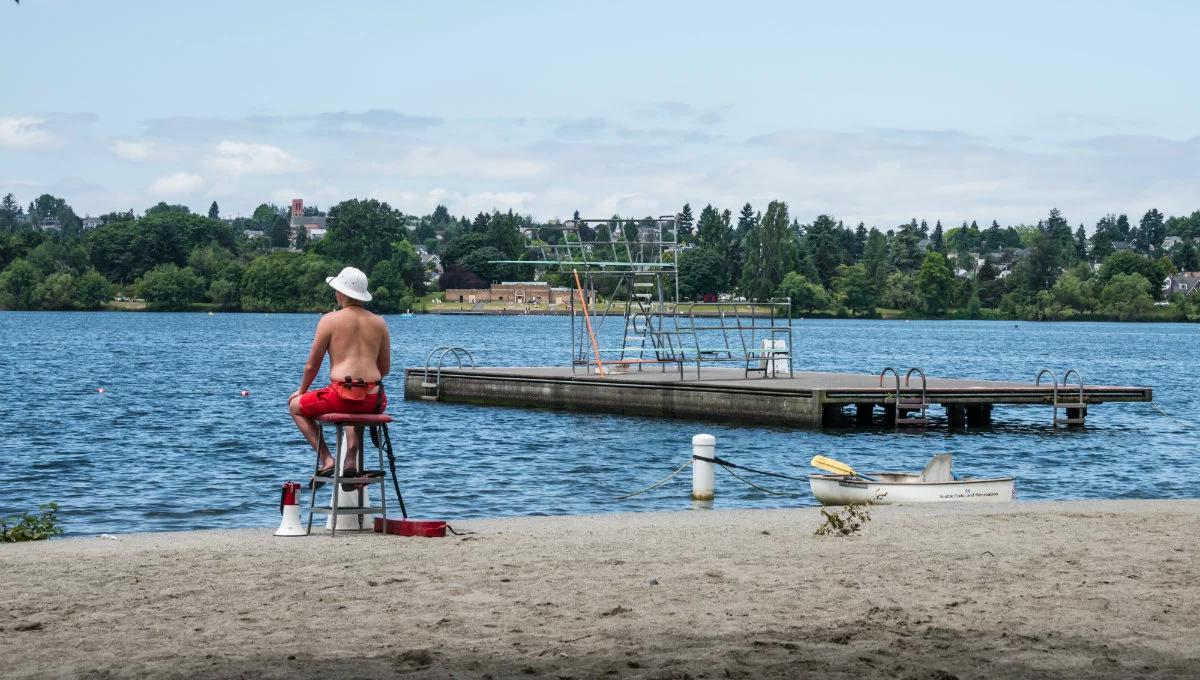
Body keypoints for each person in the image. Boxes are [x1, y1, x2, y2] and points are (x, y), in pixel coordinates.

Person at [288, 266, 391, 487]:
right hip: (374, 399)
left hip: (341, 396)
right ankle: (351, 460)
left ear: (341, 292)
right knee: (356, 403)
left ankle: (327, 459)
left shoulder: (329, 320)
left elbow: (311, 365)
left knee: (295, 406)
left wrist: (302, 391)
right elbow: (385, 369)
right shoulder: (380, 323)